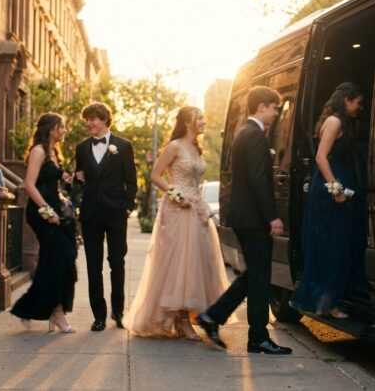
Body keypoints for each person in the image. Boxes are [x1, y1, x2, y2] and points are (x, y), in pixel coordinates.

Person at [196, 86, 292, 355]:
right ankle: (257, 337)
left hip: (244, 216)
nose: (276, 113)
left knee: (254, 274)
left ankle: (215, 317)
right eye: (274, 108)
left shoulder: (244, 133)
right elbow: (259, 180)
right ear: (262, 106)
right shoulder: (255, 136)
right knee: (259, 277)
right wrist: (272, 216)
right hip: (252, 219)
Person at [124, 106, 230, 340]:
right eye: (199, 118)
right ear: (187, 122)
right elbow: (155, 176)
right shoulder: (175, 146)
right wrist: (176, 195)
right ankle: (181, 321)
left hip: (197, 209)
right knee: (181, 263)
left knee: (197, 263)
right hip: (178, 209)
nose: (203, 121)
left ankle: (188, 317)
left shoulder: (195, 148)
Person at [290, 82, 367, 319]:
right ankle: (328, 302)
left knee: (339, 245)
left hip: (335, 187)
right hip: (330, 191)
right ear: (347, 101)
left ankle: (329, 300)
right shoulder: (334, 122)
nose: (360, 108)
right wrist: (336, 189)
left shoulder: (340, 122)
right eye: (358, 103)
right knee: (335, 246)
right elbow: (321, 157)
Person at [10, 112, 77, 333]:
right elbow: (29, 184)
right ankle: (56, 312)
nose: (64, 130)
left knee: (61, 259)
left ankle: (27, 307)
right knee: (57, 260)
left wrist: (69, 179)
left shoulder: (53, 152)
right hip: (41, 212)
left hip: (57, 209)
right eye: (62, 126)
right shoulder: (38, 151)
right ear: (51, 128)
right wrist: (47, 211)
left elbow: (52, 179)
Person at [74, 102, 137, 332]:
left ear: (104, 120)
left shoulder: (123, 145)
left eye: (94, 119)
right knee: (93, 265)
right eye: (88, 119)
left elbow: (131, 181)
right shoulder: (81, 147)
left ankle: (118, 312)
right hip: (91, 214)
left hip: (116, 213)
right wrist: (79, 191)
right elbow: (78, 178)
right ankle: (98, 315)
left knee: (117, 262)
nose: (90, 123)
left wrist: (128, 207)